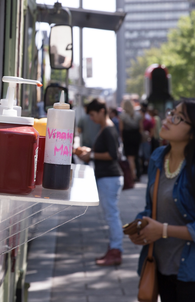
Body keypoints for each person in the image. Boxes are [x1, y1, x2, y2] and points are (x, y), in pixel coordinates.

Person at [128, 98, 195, 302]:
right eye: (171, 113)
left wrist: (163, 230)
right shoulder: (158, 157)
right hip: (161, 267)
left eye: (179, 118)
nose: (169, 119)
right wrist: (140, 226)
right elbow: (151, 209)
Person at [78, 98, 124, 266]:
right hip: (108, 177)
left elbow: (113, 155)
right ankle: (114, 249)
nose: (91, 118)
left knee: (112, 215)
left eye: (92, 114)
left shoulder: (108, 129)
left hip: (109, 177)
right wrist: (89, 152)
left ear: (102, 111)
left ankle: (116, 250)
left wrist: (90, 155)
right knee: (111, 214)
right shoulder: (106, 128)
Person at [119, 100, 142, 181]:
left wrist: (121, 137)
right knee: (136, 156)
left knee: (130, 158)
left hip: (127, 136)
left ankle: (133, 175)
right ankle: (138, 174)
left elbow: (121, 128)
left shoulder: (122, 115)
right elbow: (141, 128)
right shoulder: (138, 115)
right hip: (136, 136)